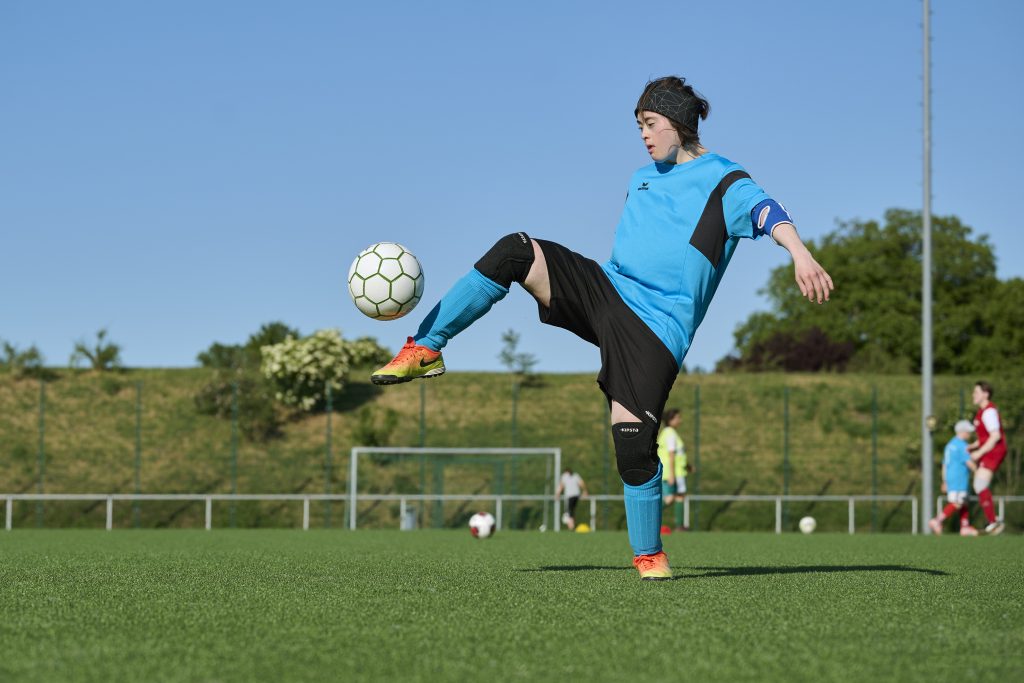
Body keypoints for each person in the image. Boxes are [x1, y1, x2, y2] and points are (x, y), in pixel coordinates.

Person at [371, 75, 834, 580]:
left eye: (650, 123)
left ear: (678, 122)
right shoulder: (643, 175)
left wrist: (799, 252)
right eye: (638, 124)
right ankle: (426, 345)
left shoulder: (723, 180)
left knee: (633, 448)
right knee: (514, 250)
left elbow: (768, 211)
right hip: (608, 292)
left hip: (656, 330)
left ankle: (649, 555)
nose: (643, 134)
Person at [968, 381, 1007, 535]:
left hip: (994, 451)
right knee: (979, 485)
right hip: (990, 449)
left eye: (976, 392)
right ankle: (993, 521)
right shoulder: (981, 412)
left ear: (985, 394)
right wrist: (974, 445)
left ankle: (994, 522)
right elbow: (986, 436)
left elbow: (995, 436)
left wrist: (979, 452)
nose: (973, 395)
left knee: (979, 485)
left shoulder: (989, 412)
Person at [928, 421, 979, 536]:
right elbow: (969, 462)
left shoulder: (950, 445)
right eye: (968, 431)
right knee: (957, 503)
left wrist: (945, 480)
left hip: (951, 477)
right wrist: (978, 471)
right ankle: (937, 520)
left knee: (964, 501)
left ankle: (965, 526)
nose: (970, 433)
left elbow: (945, 465)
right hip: (959, 478)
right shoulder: (962, 445)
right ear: (963, 431)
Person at [657, 408, 690, 530]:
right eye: (677, 418)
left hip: (678, 471)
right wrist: (671, 474)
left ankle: (679, 526)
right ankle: (647, 516)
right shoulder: (670, 434)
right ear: (670, 420)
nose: (680, 420)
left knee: (680, 496)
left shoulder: (670, 433)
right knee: (669, 498)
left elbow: (678, 455)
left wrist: (688, 466)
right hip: (671, 472)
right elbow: (671, 455)